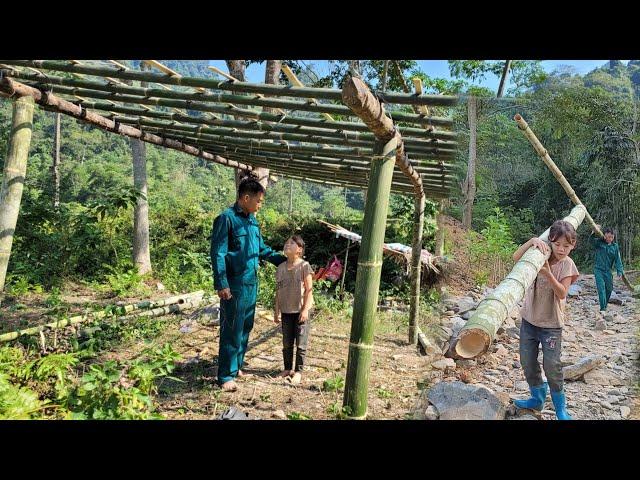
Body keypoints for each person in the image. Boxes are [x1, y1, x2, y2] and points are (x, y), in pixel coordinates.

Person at [210, 178, 287, 392]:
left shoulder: (252, 221)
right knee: (231, 328)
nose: (260, 205)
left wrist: (287, 261)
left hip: (252, 281)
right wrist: (222, 283)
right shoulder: (226, 219)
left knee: (245, 326)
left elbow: (261, 250)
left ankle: (236, 366)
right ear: (246, 198)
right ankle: (225, 375)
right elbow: (218, 253)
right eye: (259, 201)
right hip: (234, 283)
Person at [511, 220, 580, 420]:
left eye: (566, 246)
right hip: (529, 321)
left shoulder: (567, 264)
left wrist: (548, 274)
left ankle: (560, 408)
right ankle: (537, 397)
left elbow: (562, 293)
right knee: (527, 360)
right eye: (557, 244)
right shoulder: (539, 254)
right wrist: (532, 241)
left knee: (552, 366)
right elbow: (516, 258)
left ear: (573, 246)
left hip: (552, 326)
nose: (561, 249)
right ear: (550, 241)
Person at [274, 235, 314, 385]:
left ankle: (298, 371)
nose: (287, 245)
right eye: (286, 243)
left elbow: (309, 290)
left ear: (299, 249)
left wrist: (305, 310)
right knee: (286, 342)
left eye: (291, 243)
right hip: (286, 310)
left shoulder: (304, 266)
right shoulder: (281, 268)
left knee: (301, 343)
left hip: (301, 310)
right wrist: (276, 310)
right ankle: (287, 369)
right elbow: (277, 291)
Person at [590, 225, 624, 314]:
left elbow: (618, 259)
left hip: (608, 271)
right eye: (608, 236)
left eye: (612, 237)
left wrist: (619, 271)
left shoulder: (615, 246)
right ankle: (602, 309)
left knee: (609, 289)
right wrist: (593, 233)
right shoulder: (599, 243)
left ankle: (604, 306)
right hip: (598, 270)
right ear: (604, 235)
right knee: (601, 288)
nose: (610, 238)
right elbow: (591, 241)